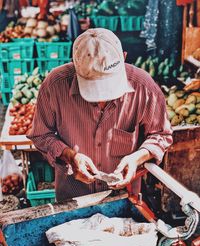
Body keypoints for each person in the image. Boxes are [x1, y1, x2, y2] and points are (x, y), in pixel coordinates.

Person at [27, 28, 173, 202]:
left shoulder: (143, 87)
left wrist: (136, 158)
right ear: (75, 64)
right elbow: (41, 134)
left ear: (123, 58)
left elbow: (161, 134)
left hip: (125, 197)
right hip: (73, 197)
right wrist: (70, 156)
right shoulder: (55, 85)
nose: (102, 98)